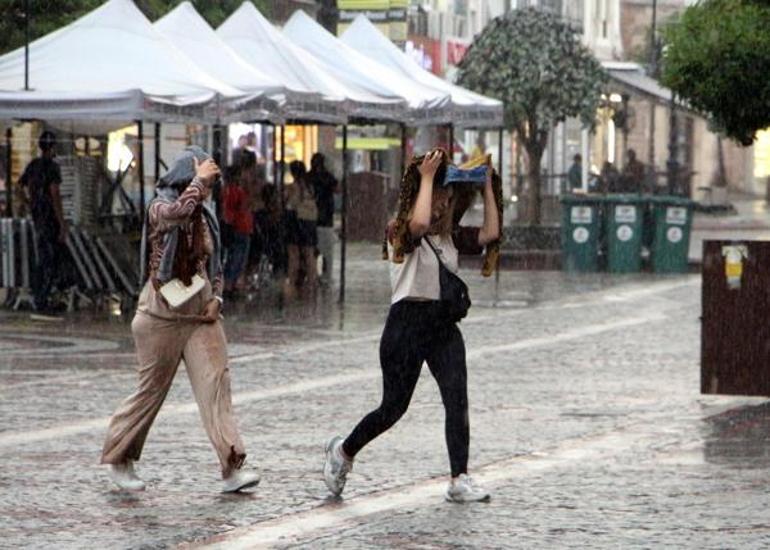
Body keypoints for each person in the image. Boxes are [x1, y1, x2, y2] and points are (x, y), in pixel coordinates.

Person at [323, 149, 500, 503]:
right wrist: (428, 178)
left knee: (457, 399)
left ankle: (459, 477)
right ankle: (343, 451)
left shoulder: (450, 238)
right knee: (393, 408)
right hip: (406, 325)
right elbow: (417, 224)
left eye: (446, 200)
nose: (440, 206)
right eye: (436, 198)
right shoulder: (399, 231)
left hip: (442, 327)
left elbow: (491, 232)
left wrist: (487, 187)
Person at [101, 146, 259, 493]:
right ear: (186, 178)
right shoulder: (159, 206)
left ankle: (232, 465)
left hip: (199, 313)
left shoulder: (206, 212)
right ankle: (119, 457)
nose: (209, 188)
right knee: (150, 391)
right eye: (203, 179)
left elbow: (213, 261)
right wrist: (198, 184)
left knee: (216, 385)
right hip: (160, 313)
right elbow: (175, 214)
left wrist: (217, 297)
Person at [19, 131, 67, 313]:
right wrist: (62, 223)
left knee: (42, 258)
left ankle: (40, 296)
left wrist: (29, 204)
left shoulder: (33, 165)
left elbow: (19, 187)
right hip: (50, 220)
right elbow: (55, 194)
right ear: (53, 147)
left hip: (37, 217)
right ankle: (43, 299)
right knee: (51, 259)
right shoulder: (52, 167)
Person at [284, 160, 318, 295]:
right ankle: (312, 281)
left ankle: (292, 281)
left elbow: (291, 204)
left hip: (297, 221)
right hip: (310, 221)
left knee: (294, 253)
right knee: (309, 253)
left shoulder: (294, 187)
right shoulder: (310, 187)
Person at [222, 160, 253, 295]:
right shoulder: (237, 191)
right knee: (238, 257)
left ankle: (229, 283)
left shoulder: (226, 190)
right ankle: (230, 284)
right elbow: (243, 206)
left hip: (233, 226)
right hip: (240, 226)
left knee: (233, 256)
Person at [308, 153, 338, 287]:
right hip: (326, 219)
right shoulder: (328, 177)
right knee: (327, 252)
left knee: (312, 251)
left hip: (310, 219)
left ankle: (312, 275)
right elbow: (337, 189)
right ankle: (326, 276)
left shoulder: (308, 177)